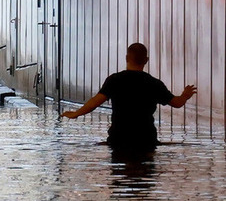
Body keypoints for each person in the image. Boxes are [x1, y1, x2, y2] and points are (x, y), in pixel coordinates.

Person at [62, 43, 197, 151]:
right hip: (146, 139)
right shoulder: (154, 83)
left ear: (127, 58)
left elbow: (94, 103)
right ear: (146, 60)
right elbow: (177, 103)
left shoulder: (114, 80)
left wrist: (76, 113)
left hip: (119, 138)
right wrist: (185, 95)